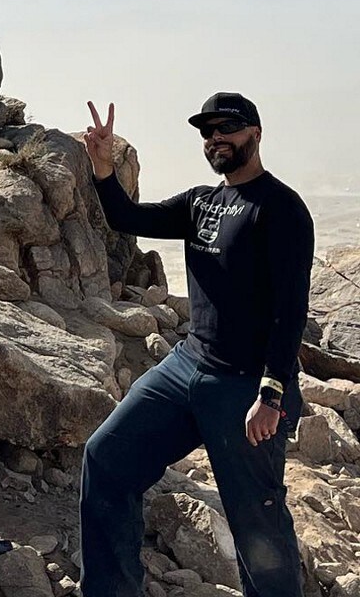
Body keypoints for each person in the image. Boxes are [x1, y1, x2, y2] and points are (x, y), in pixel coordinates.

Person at [79, 92, 313, 596]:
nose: (216, 139)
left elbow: (291, 309)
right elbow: (129, 219)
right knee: (106, 460)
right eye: (207, 132)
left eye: (227, 128)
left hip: (246, 388)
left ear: (255, 133)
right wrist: (103, 170)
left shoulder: (281, 209)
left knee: (257, 528)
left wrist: (271, 394)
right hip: (185, 369)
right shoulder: (201, 203)